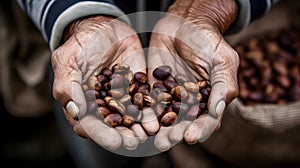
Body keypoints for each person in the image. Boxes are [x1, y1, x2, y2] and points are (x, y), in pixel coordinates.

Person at [11, 0, 279, 167]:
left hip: (208, 38)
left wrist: (209, 7)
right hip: (87, 51)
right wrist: (78, 17)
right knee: (98, 148)